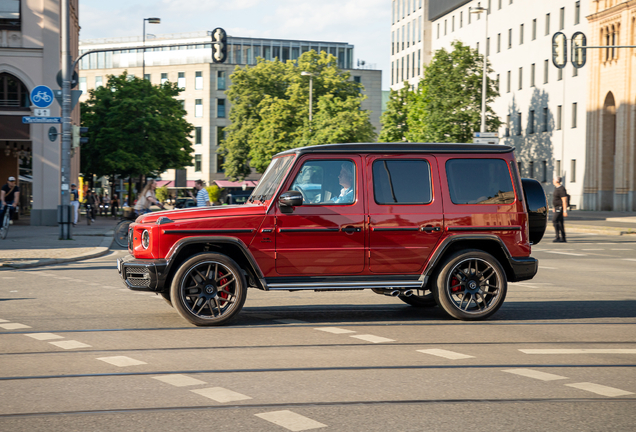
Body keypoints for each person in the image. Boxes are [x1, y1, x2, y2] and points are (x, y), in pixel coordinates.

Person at [552, 176, 568, 242]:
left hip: (560, 207)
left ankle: (557, 236)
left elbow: (564, 200)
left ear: (556, 181)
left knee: (554, 220)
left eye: (553, 179)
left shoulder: (561, 189)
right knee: (560, 222)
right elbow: (556, 199)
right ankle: (563, 238)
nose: (552, 181)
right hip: (557, 207)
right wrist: (554, 207)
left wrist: (564, 211)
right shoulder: (556, 188)